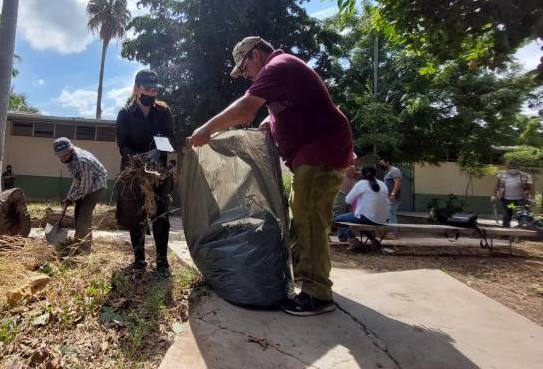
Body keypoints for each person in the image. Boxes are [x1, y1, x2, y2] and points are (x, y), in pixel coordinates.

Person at [189, 36, 354, 316]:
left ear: (255, 55)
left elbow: (245, 109)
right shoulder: (282, 72)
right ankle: (303, 276)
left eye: (244, 69)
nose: (246, 76)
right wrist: (267, 124)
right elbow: (279, 112)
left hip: (320, 153)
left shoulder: (277, 66)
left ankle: (318, 294)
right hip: (312, 155)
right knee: (299, 216)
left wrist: (206, 129)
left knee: (309, 218)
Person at [116, 69, 175, 274]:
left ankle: (162, 260)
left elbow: (169, 139)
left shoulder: (163, 111)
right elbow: (122, 145)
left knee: (160, 215)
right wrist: (136, 158)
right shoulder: (125, 114)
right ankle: (139, 260)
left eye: (155, 90)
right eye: (147, 89)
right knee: (136, 215)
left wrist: (157, 152)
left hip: (158, 171)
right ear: (136, 89)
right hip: (133, 172)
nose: (152, 93)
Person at [53, 137, 108, 254]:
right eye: (60, 156)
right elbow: (77, 180)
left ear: (71, 150)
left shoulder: (83, 161)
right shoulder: (68, 160)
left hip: (96, 183)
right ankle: (83, 243)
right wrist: (70, 196)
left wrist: (72, 197)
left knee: (84, 214)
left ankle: (82, 249)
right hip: (86, 182)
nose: (62, 158)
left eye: (65, 155)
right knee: (78, 213)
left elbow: (84, 188)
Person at [335, 167, 388, 251]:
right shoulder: (383, 184)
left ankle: (353, 240)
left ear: (362, 174)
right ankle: (373, 240)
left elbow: (348, 200)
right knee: (361, 221)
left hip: (367, 217)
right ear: (375, 174)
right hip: (382, 219)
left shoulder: (362, 183)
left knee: (337, 219)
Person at [493, 160, 533, 228]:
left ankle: (521, 233)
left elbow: (531, 188)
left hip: (520, 201)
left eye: (514, 168)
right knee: (506, 216)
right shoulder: (502, 175)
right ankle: (505, 234)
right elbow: (497, 186)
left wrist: (532, 198)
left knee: (522, 217)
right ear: (507, 168)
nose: (512, 170)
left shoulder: (525, 175)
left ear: (518, 168)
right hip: (507, 201)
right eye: (511, 168)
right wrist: (493, 195)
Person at [380, 159, 402, 224]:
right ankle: (391, 230)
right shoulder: (388, 171)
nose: (381, 165)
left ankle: (393, 231)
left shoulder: (394, 170)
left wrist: (393, 194)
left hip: (393, 197)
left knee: (390, 212)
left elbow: (397, 182)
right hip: (388, 197)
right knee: (388, 213)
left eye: (382, 163)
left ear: (387, 162)